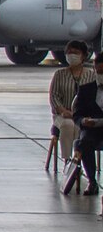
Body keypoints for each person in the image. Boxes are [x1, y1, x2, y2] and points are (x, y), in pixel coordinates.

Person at [49, 40, 94, 172]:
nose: (71, 55)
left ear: (84, 56)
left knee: (79, 125)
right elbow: (54, 96)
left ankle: (79, 159)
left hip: (82, 115)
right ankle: (68, 161)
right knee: (68, 125)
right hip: (62, 115)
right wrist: (63, 110)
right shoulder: (59, 74)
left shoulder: (91, 75)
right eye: (69, 52)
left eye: (75, 53)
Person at [72, 74, 103, 197]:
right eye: (99, 71)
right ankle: (91, 181)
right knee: (84, 142)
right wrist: (84, 121)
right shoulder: (86, 89)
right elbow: (77, 115)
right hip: (91, 129)